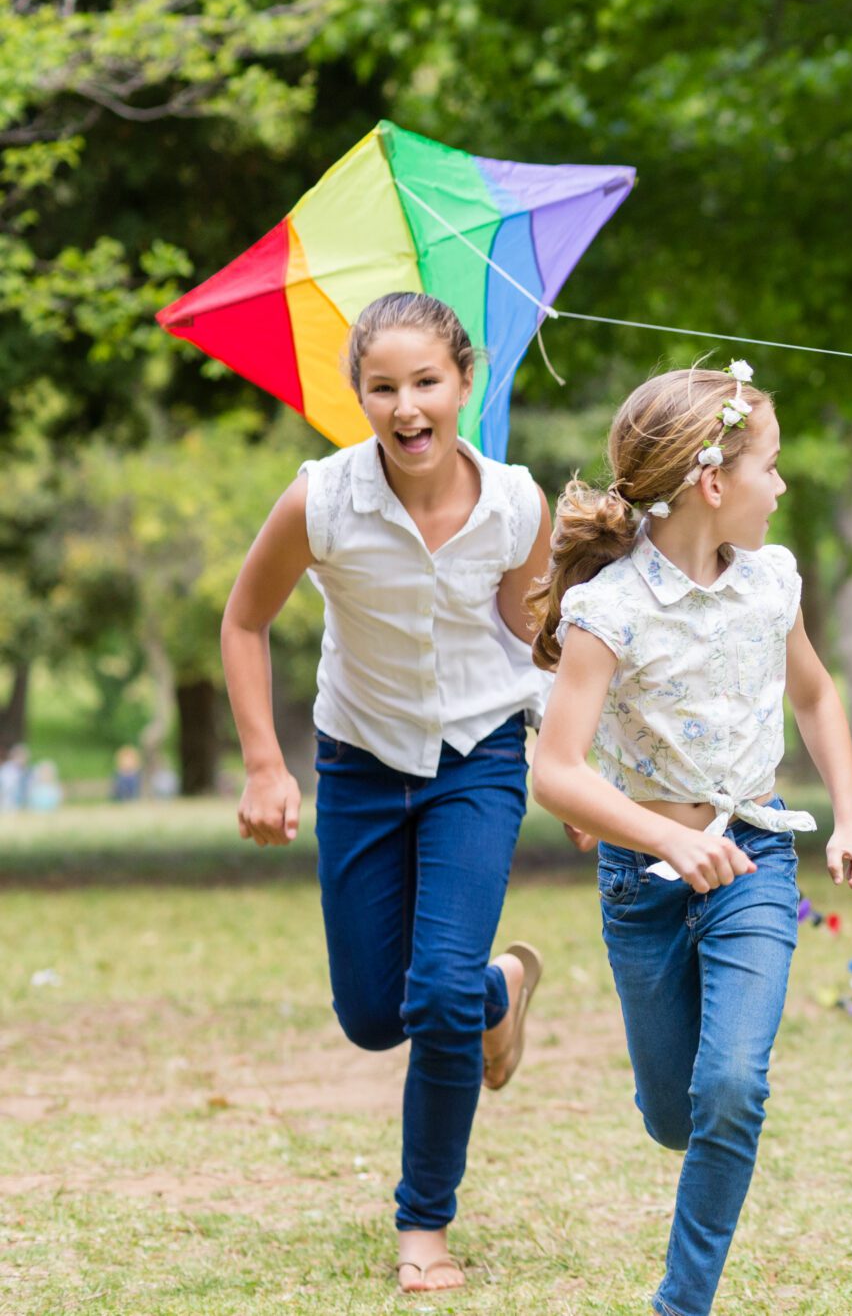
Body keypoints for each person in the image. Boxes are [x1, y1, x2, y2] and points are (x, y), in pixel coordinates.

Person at [526, 362, 852, 1316]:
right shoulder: (609, 609)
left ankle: (681, 1302)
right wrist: (666, 844)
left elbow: (812, 691)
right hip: (642, 886)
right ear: (713, 483)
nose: (782, 485)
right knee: (676, 1116)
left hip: (756, 858)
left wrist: (847, 815)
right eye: (771, 465)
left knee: (730, 1086)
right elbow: (554, 771)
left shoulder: (773, 583)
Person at [220, 292, 553, 1294]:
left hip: (479, 761)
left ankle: (425, 1228)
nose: (406, 407)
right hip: (361, 764)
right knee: (375, 1015)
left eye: (426, 383)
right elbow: (244, 622)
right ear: (357, 395)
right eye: (382, 387)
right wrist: (265, 765)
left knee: (435, 997)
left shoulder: (516, 505)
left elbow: (531, 638)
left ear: (465, 383)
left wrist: (576, 770)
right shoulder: (321, 499)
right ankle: (500, 990)